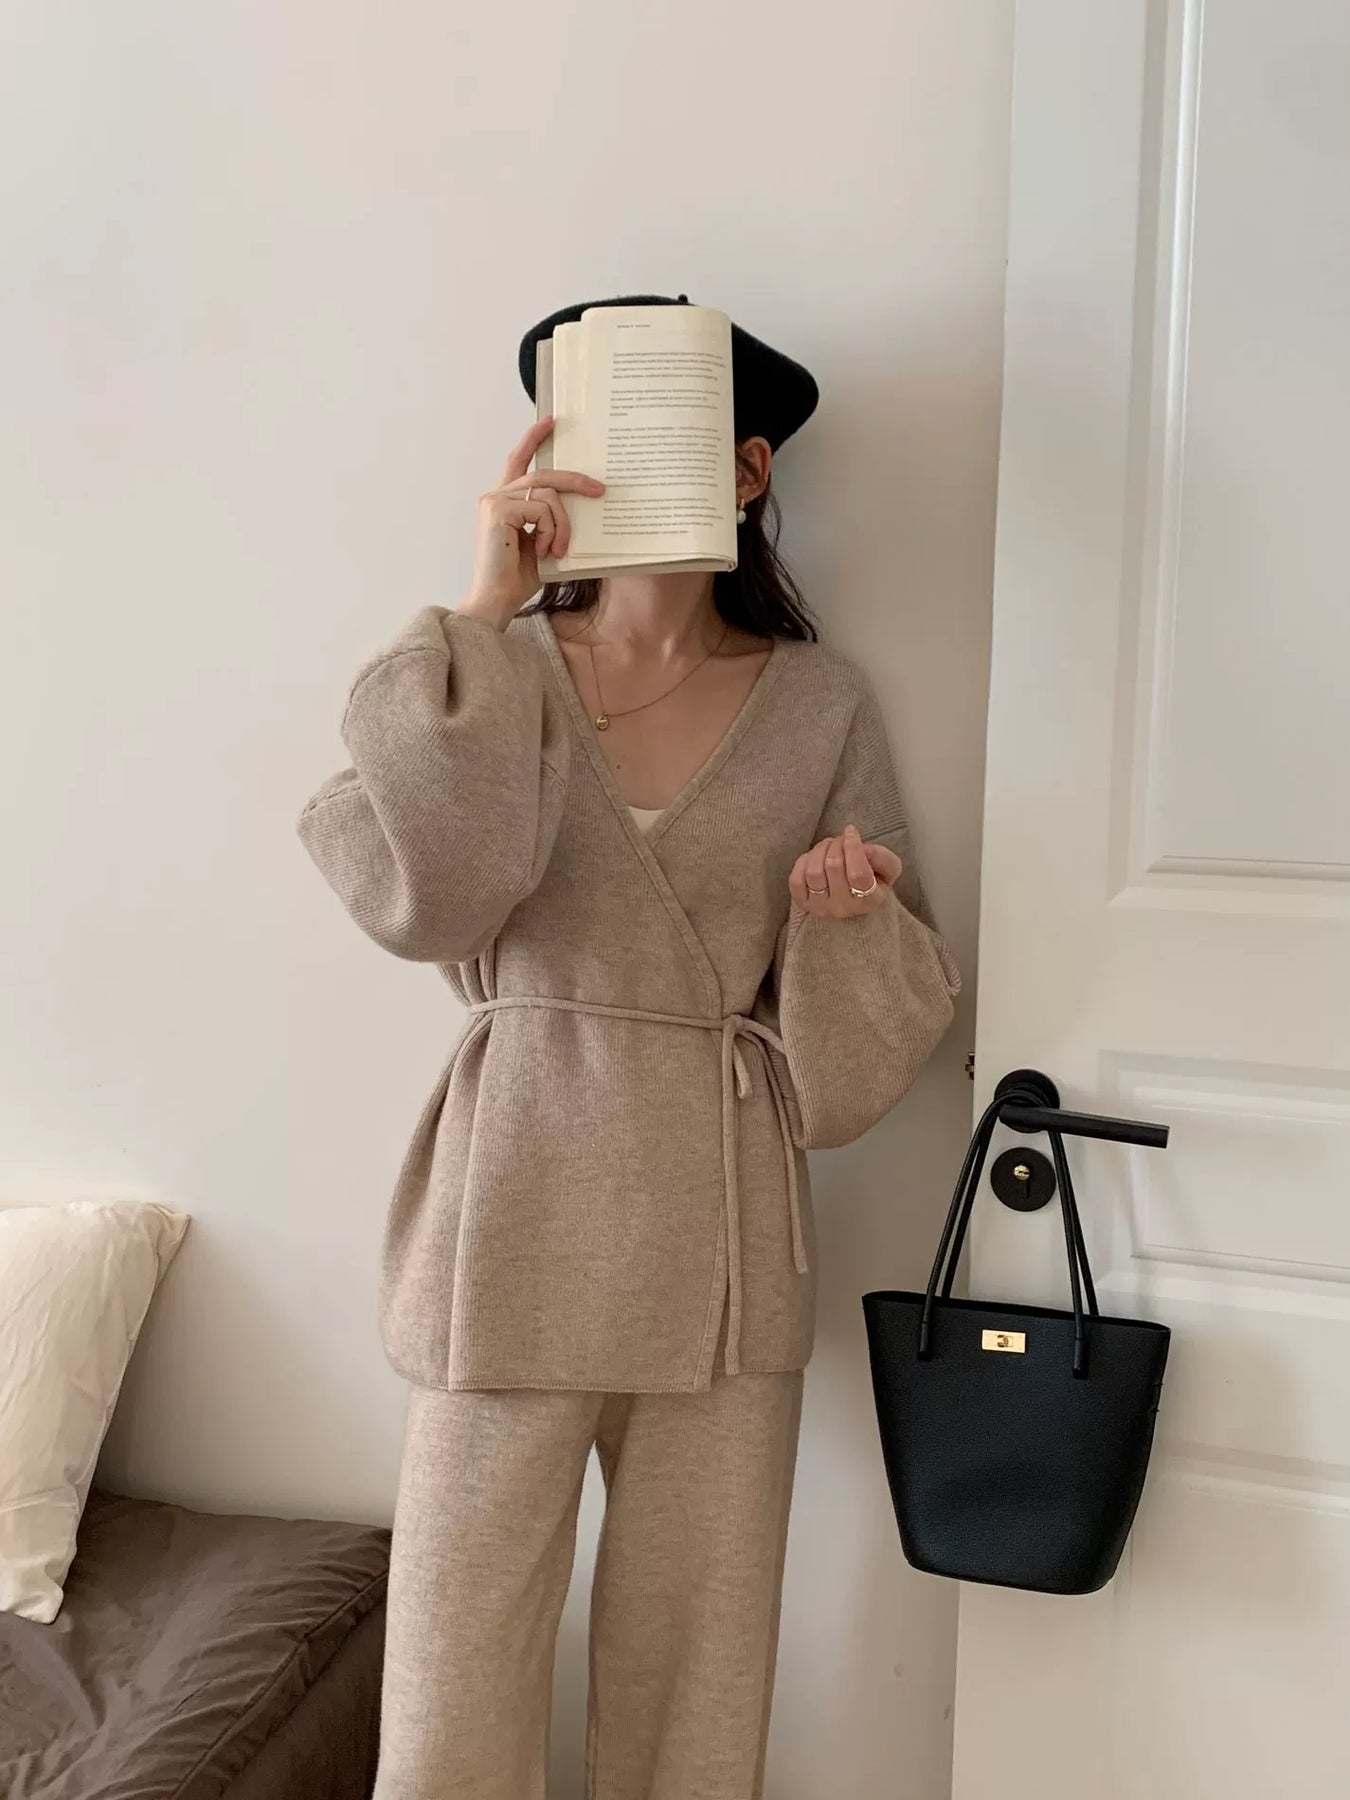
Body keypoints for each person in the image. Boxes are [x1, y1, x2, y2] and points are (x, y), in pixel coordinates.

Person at [297, 293, 962, 1800]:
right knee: (455, 1670)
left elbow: (868, 1030)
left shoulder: (818, 703)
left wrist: (842, 919)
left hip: (717, 1229)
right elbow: (428, 900)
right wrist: (482, 609)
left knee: (696, 1682)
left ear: (746, 470)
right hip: (510, 1205)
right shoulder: (502, 675)